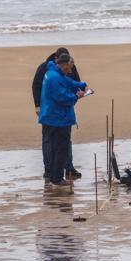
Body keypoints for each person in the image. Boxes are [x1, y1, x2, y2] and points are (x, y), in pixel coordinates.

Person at [38, 54, 90, 186]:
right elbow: (62, 97)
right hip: (58, 119)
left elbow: (68, 82)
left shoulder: (53, 73)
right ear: (64, 64)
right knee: (61, 149)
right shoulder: (54, 77)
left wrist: (83, 85)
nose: (71, 71)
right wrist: (76, 96)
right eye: (70, 67)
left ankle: (55, 176)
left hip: (52, 117)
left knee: (57, 148)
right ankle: (57, 178)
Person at [32, 47, 82, 179]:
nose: (69, 70)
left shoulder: (67, 67)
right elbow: (36, 85)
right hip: (51, 111)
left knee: (64, 142)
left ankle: (68, 168)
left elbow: (72, 81)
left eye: (70, 68)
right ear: (57, 59)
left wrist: (82, 87)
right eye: (67, 68)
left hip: (63, 110)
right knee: (50, 142)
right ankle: (50, 171)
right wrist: (37, 105)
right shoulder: (46, 69)